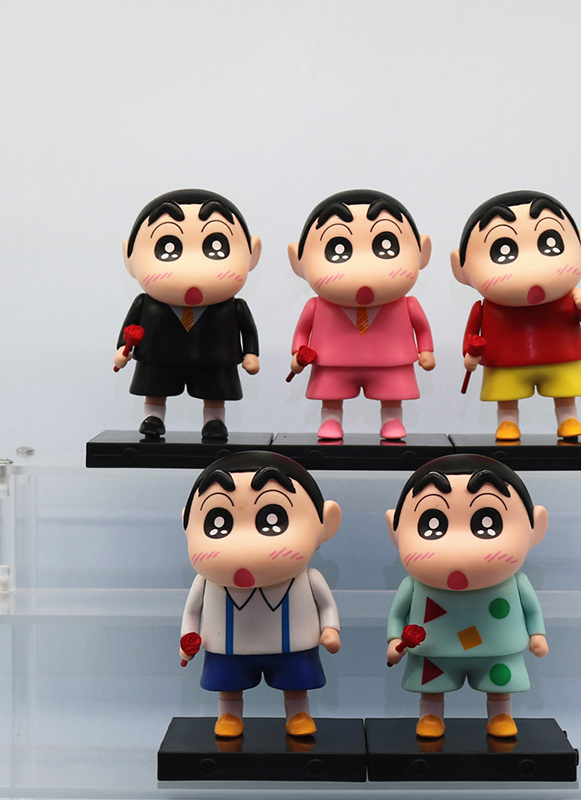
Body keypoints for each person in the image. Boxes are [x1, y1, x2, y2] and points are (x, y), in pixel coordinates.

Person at [386, 454, 548, 738]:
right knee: (432, 686)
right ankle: (430, 717)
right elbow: (398, 614)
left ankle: (500, 715)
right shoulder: (413, 585)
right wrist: (394, 639)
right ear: (394, 530)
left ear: (536, 528)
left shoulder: (516, 583)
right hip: (435, 650)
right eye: (432, 525)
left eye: (489, 524)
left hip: (496, 649)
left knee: (499, 684)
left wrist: (538, 635)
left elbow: (532, 610)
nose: (459, 547)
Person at [180, 451, 341, 738]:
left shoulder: (308, 579)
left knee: (295, 684)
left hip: (293, 648)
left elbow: (326, 606)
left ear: (325, 524)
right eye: (217, 523)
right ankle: (229, 716)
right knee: (229, 685)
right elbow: (192, 612)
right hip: (228, 650)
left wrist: (330, 629)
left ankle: (299, 714)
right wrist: (187, 638)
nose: (243, 545)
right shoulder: (206, 583)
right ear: (187, 525)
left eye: (272, 520)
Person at [114, 189, 260, 442]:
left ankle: (214, 421)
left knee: (214, 391)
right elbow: (130, 328)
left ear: (252, 255)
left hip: (214, 360)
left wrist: (251, 354)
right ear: (130, 257)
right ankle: (153, 418)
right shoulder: (145, 304)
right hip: (158, 357)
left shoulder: (233, 307)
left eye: (217, 247)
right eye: (166, 248)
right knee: (155, 388)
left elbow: (247, 331)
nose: (193, 268)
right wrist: (122, 350)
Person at [288, 189, 435, 440]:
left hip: (391, 362)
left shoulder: (407, 305)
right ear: (298, 260)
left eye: (386, 246)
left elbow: (422, 328)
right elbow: (302, 331)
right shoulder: (316, 306)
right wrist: (298, 354)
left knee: (392, 394)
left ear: (422, 253)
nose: (363, 268)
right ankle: (331, 421)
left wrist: (426, 351)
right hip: (332, 363)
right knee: (331, 395)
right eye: (337, 250)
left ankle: (392, 421)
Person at [452, 190, 581, 440]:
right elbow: (472, 335)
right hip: (504, 361)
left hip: (561, 357)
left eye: (551, 243)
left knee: (565, 391)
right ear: (461, 269)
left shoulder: (570, 297)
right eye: (502, 251)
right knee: (507, 395)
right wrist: (470, 355)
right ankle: (507, 423)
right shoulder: (484, 308)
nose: (531, 267)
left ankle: (568, 419)